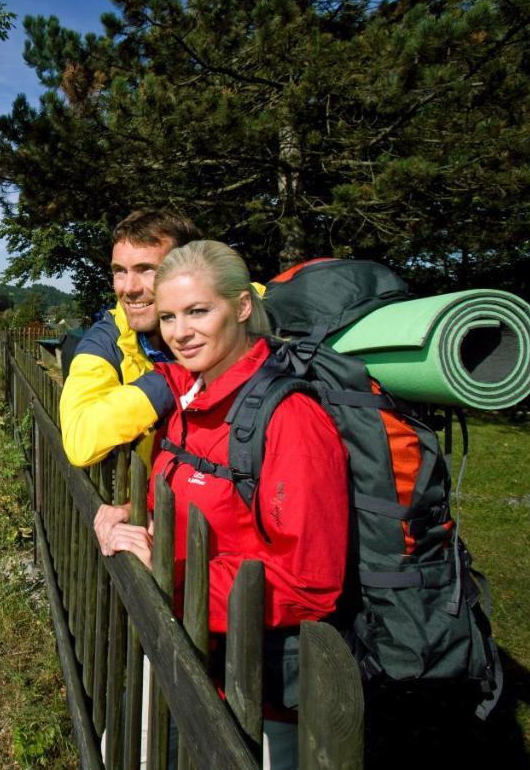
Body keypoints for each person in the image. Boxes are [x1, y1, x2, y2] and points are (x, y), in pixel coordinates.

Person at [93, 240, 349, 770]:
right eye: (167, 316)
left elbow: (311, 581)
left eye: (198, 311)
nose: (180, 332)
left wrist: (172, 573)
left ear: (242, 306)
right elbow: (188, 499)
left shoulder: (290, 419)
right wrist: (127, 517)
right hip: (181, 655)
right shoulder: (191, 399)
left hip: (255, 695)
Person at [59, 210, 202, 468]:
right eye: (120, 271)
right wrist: (174, 377)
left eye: (146, 270)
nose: (128, 288)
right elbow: (80, 440)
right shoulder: (104, 343)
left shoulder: (231, 317)